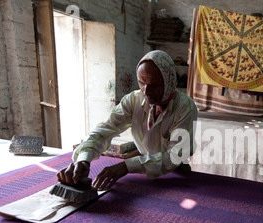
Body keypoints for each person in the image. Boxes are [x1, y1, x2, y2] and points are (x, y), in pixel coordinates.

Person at [57, 50, 198, 190]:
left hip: (177, 173)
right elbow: (104, 130)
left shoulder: (185, 107)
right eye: (142, 83)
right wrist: (84, 159)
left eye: (154, 85)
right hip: (145, 171)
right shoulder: (133, 100)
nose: (146, 91)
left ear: (169, 81)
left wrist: (127, 166)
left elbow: (173, 157)